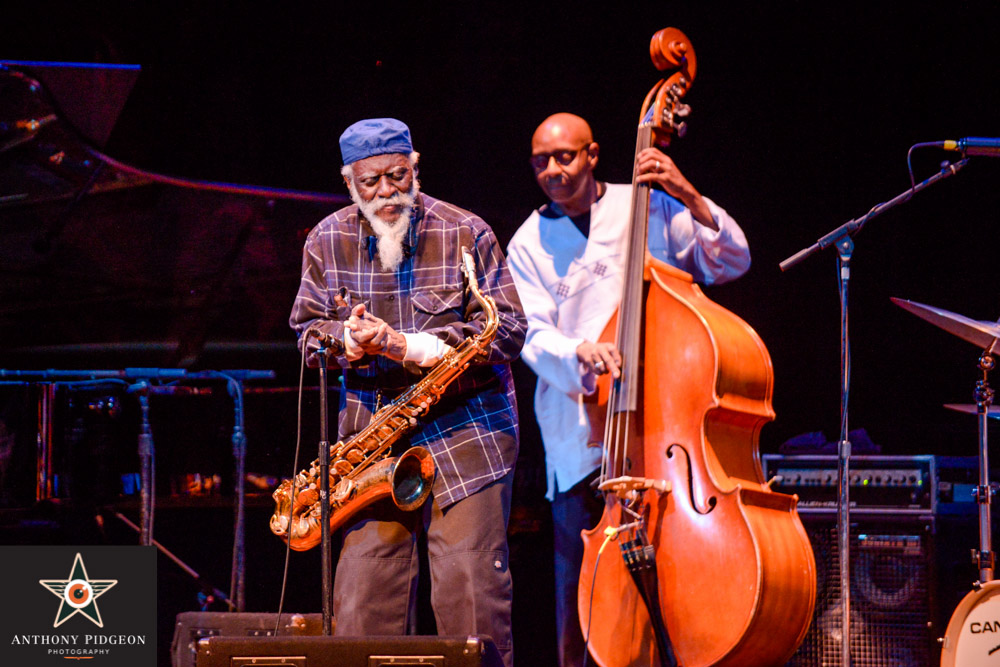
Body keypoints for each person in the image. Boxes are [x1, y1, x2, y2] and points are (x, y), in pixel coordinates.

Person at [505, 112, 751, 667]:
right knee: (583, 602)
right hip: (584, 436)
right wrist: (578, 352)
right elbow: (528, 332)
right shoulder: (527, 242)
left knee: (678, 588)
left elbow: (731, 259)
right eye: (541, 161)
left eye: (565, 157)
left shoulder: (648, 206)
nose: (553, 170)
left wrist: (684, 190)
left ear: (593, 155)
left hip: (667, 429)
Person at [289, 118, 526, 667]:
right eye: (370, 182)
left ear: (415, 168)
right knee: (361, 605)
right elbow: (307, 335)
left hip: (468, 434)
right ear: (349, 182)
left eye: (398, 176)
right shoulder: (327, 240)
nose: (386, 192)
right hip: (374, 446)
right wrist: (346, 340)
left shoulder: (468, 231)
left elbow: (509, 328)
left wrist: (404, 346)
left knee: (472, 602)